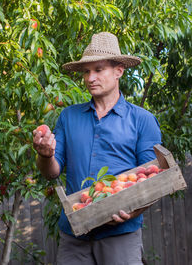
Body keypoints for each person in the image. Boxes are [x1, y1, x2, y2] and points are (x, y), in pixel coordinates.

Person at [33, 32, 162, 265]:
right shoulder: (68, 116)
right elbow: (50, 172)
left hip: (120, 234)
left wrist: (133, 212)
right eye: (86, 71)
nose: (90, 77)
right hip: (75, 235)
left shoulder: (142, 120)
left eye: (98, 69)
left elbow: (152, 179)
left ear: (119, 71)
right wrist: (45, 155)